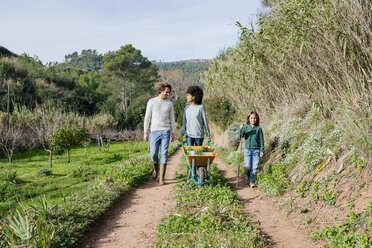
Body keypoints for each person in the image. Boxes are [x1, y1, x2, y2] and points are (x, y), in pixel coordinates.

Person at [144, 82, 175, 185]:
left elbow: (172, 118)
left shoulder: (169, 103)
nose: (168, 94)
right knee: (153, 154)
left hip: (166, 131)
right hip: (154, 131)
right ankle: (156, 169)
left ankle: (161, 179)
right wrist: (145, 132)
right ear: (160, 90)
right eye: (166, 92)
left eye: (169, 93)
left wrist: (173, 132)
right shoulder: (151, 102)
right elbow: (147, 118)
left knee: (164, 154)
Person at [239, 111, 264, 188]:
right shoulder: (246, 127)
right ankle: (248, 175)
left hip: (256, 150)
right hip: (247, 150)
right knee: (247, 166)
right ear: (248, 119)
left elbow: (261, 140)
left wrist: (262, 150)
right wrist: (241, 129)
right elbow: (240, 136)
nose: (253, 119)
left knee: (255, 167)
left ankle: (252, 181)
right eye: (251, 118)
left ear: (257, 119)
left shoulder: (259, 129)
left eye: (255, 118)